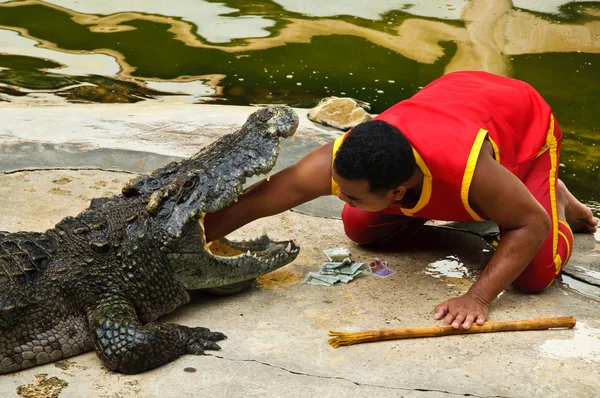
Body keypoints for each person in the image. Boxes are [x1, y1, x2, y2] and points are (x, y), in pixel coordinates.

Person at [204, 70, 597, 330]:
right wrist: (194, 240)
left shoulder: (467, 167)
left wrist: (477, 296)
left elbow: (530, 226)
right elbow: (264, 198)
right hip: (454, 94)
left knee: (532, 275)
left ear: (395, 193)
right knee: (359, 227)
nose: (338, 192)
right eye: (339, 186)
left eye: (351, 193)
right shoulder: (348, 156)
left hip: (522, 123)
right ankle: (504, 199)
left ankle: (551, 194)